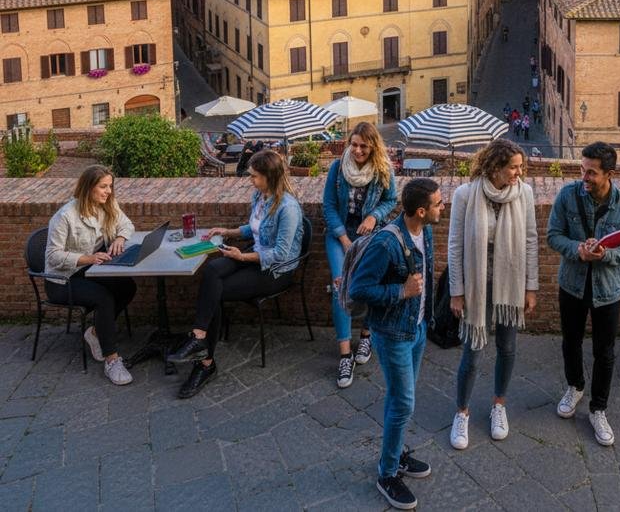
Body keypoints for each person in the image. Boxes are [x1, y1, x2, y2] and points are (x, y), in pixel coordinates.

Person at [167, 149, 304, 398]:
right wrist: (227, 231)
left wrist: (242, 257)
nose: (250, 180)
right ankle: (199, 337)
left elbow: (282, 254)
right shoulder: (259, 197)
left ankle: (205, 363)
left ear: (269, 177)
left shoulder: (288, 208)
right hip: (254, 254)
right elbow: (254, 229)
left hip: (275, 270)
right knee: (211, 271)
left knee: (215, 291)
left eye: (254, 176)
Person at [350, 178, 443, 511]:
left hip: (416, 329)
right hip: (392, 334)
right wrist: (401, 292)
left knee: (401, 399)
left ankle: (396, 454)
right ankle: (387, 473)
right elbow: (358, 290)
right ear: (421, 210)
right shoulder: (386, 244)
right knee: (404, 403)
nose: (441, 207)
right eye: (437, 203)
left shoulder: (425, 232)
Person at [547, 142, 620, 446]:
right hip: (572, 284)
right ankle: (575, 386)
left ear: (609, 174)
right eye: (582, 169)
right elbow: (553, 235)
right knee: (570, 342)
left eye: (591, 172)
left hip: (608, 290)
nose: (584, 177)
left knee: (605, 351)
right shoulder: (567, 196)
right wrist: (577, 250)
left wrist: (605, 256)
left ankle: (598, 408)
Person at [448, 141, 538, 450]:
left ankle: (499, 405)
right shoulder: (465, 195)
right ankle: (462, 412)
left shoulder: (523, 193)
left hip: (509, 285)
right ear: (495, 167)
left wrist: (530, 286)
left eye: (519, 167)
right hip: (477, 284)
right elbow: (455, 245)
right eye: (513, 167)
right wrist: (456, 291)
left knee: (508, 347)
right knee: (472, 351)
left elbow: (530, 240)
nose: (518, 172)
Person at [44, 164, 137, 386]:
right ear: (88, 188)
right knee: (103, 298)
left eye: (110, 186)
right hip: (62, 279)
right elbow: (53, 255)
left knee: (127, 287)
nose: (108, 191)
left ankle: (95, 332)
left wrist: (120, 239)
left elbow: (127, 225)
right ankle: (112, 360)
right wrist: (89, 258)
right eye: (103, 187)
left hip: (89, 271)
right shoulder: (65, 216)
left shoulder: (107, 205)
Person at [322, 121, 397, 388]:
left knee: (368, 284)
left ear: (373, 146)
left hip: (368, 236)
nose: (357, 150)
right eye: (354, 144)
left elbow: (391, 200)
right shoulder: (337, 168)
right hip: (339, 234)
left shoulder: (383, 169)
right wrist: (343, 238)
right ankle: (345, 355)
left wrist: (373, 217)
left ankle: (366, 334)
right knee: (340, 285)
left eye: (363, 146)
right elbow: (329, 205)